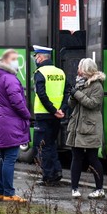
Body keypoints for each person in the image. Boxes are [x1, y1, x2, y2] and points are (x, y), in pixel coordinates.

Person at [0, 49, 30, 203]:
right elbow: (17, 101)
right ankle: (9, 192)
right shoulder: (10, 78)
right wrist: (26, 114)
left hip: (2, 120)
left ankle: (0, 191)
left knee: (2, 157)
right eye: (14, 59)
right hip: (11, 121)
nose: (16, 62)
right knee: (10, 158)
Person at [66, 57, 106, 200]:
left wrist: (76, 93)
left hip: (90, 127)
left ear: (86, 70)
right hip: (77, 126)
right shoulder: (80, 83)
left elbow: (93, 104)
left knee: (92, 158)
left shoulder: (97, 86)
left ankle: (99, 189)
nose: (78, 70)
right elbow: (71, 105)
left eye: (80, 67)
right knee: (76, 157)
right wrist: (72, 95)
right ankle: (74, 188)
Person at [32, 45, 70, 186]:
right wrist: (62, 109)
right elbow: (68, 92)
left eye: (36, 56)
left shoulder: (39, 72)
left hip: (44, 114)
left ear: (41, 57)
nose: (35, 59)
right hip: (57, 115)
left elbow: (41, 94)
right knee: (51, 144)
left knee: (41, 146)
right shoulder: (60, 72)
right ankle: (57, 171)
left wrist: (53, 110)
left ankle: (48, 175)